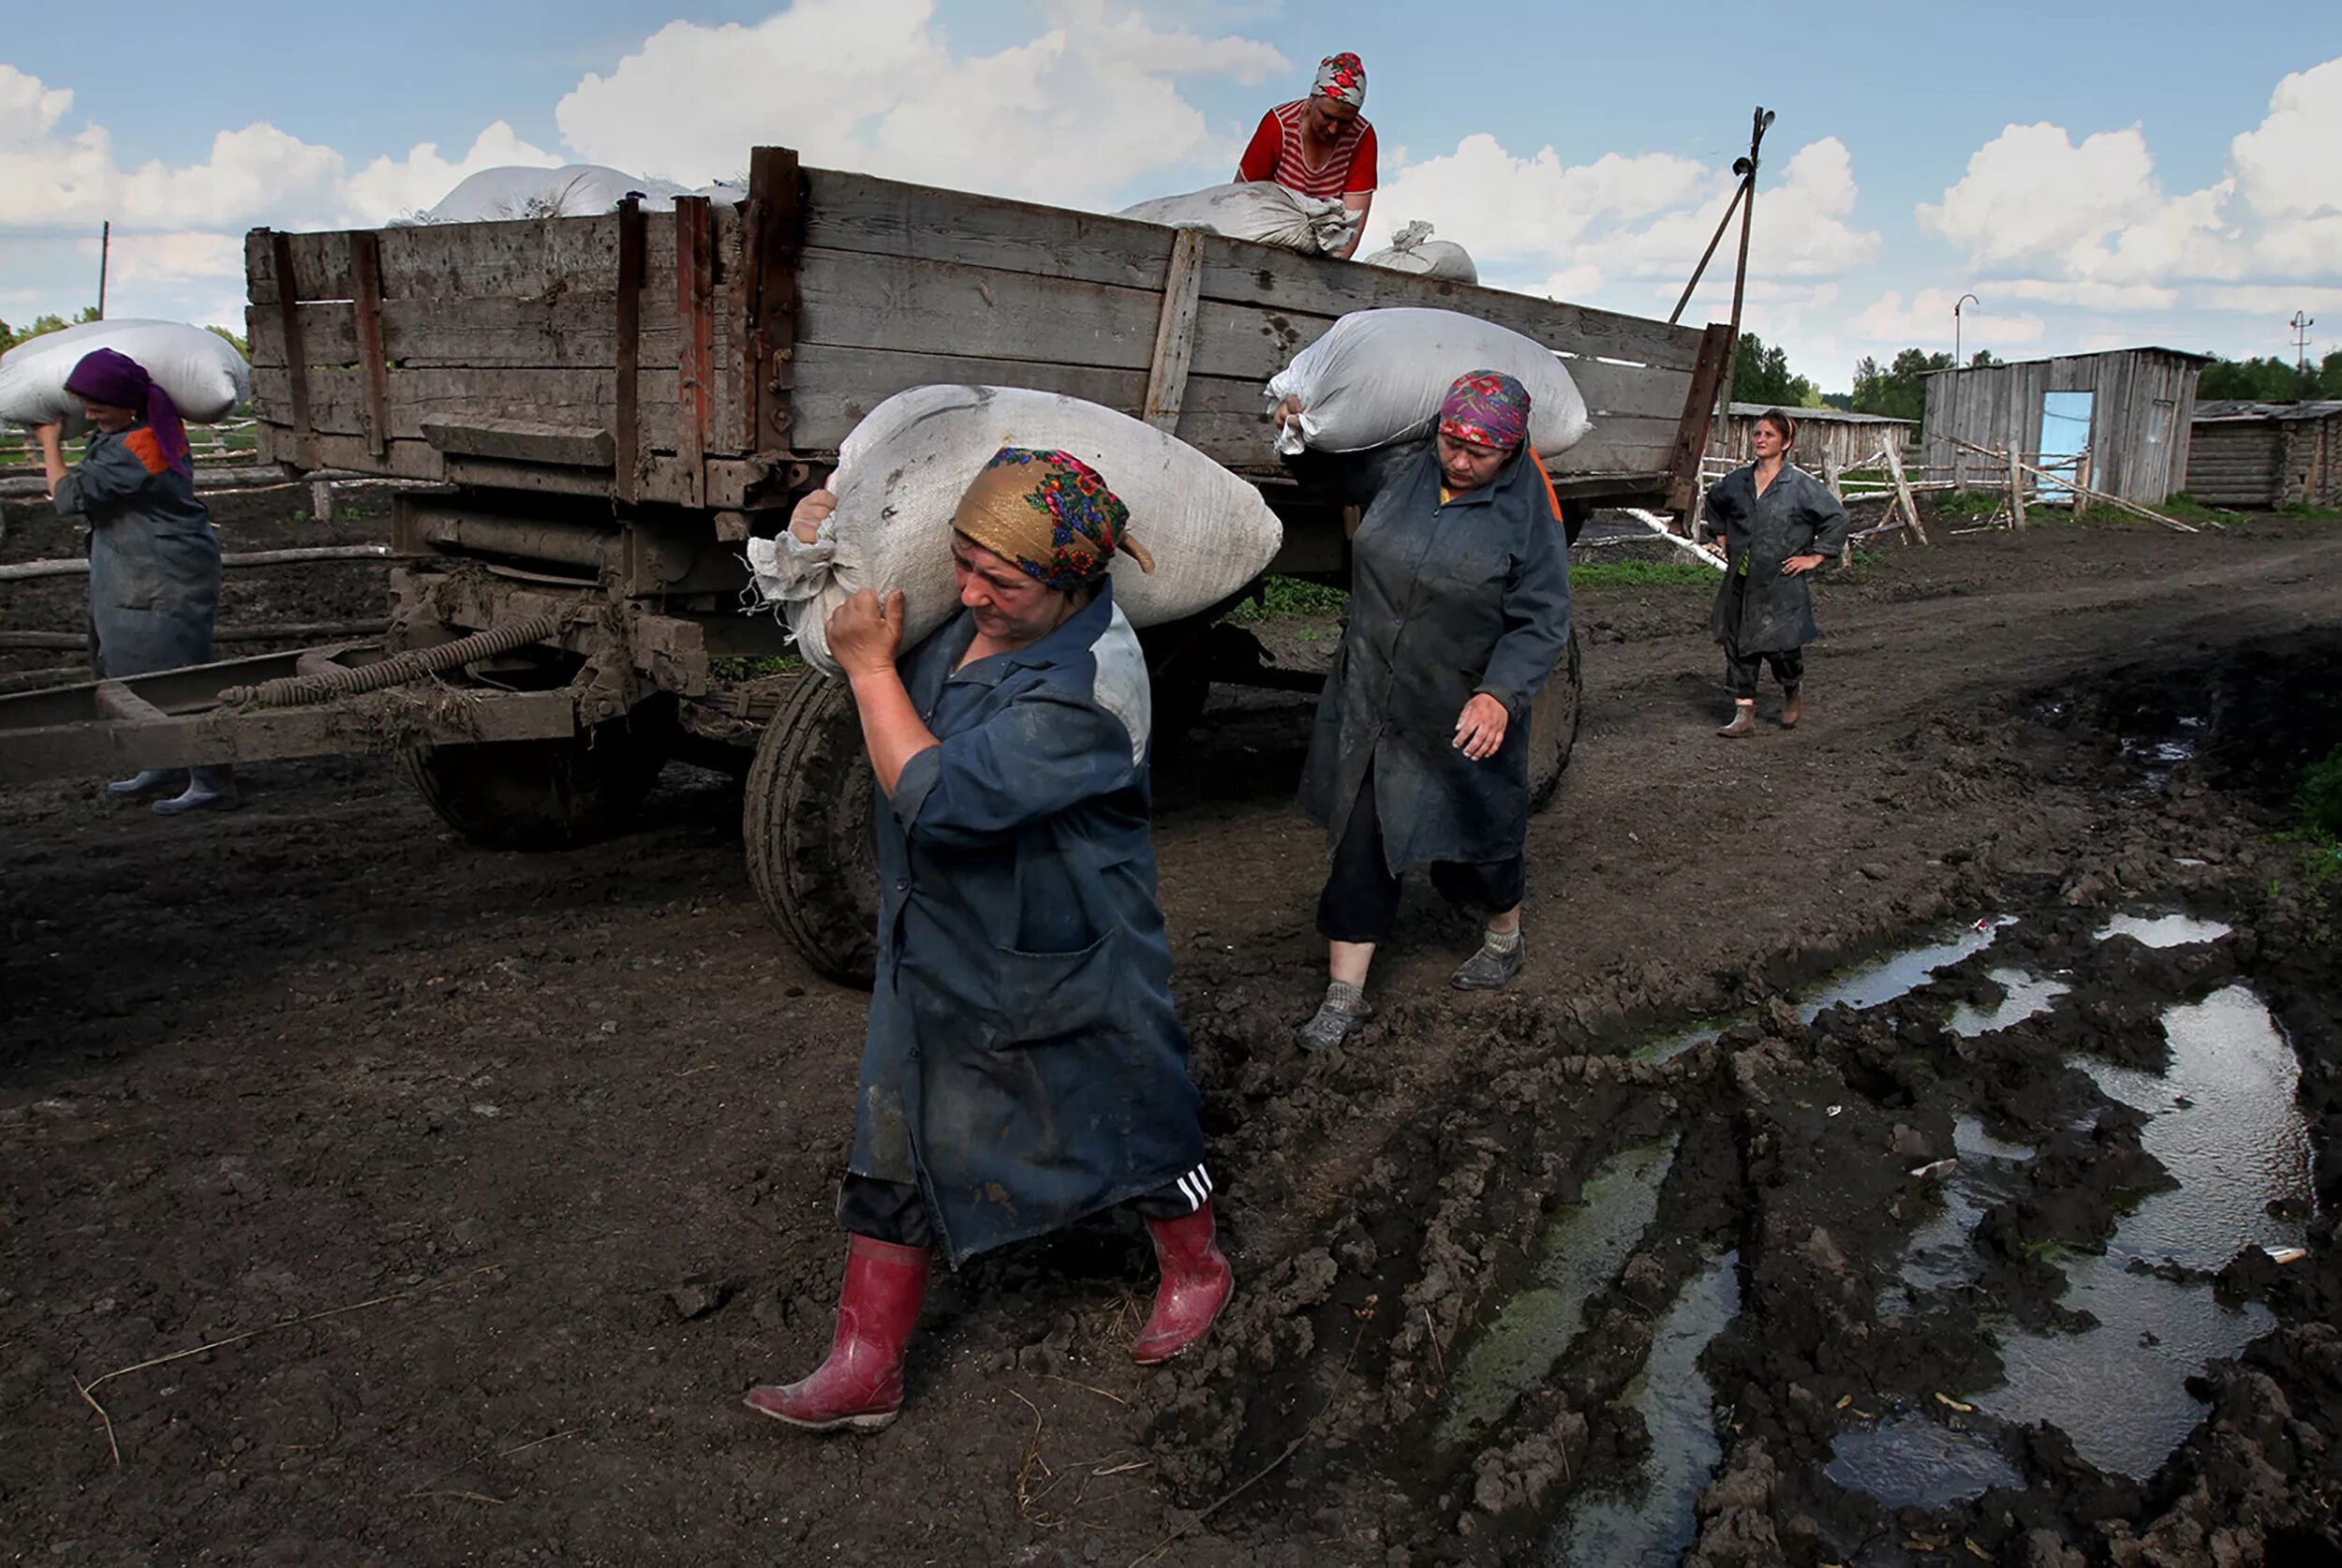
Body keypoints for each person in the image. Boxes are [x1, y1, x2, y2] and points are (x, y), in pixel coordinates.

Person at [744, 449, 1232, 1433]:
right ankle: (865, 1363)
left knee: (1132, 1103)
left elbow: (939, 801)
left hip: (1067, 943)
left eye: (1000, 581)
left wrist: (871, 669)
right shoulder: (967, 619)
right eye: (961, 563)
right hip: (940, 930)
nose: (969, 593)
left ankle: (1196, 1267)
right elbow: (850, 634)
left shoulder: (1091, 685)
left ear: (1071, 584)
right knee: (895, 1117)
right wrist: (819, 547)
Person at [1276, 372, 1573, 1050]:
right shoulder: (1401, 467)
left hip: (1461, 703)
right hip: (1374, 696)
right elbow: (1325, 474)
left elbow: (1542, 620)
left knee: (1478, 837)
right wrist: (1299, 429)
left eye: (1479, 452)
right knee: (1361, 841)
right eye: (1451, 442)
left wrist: (1500, 694)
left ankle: (1504, 937)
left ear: (1512, 448)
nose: (1459, 460)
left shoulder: (1531, 512)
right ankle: (1344, 996)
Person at [35, 348, 237, 813]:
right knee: (133, 667)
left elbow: (68, 497)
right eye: (85, 407)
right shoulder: (130, 432)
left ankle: (212, 779)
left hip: (162, 574)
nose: (88, 416)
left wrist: (49, 442)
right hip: (134, 568)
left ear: (127, 404)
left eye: (97, 408)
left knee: (178, 675)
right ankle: (164, 762)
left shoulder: (140, 445)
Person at [1703, 409, 1851, 738]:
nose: (1760, 439)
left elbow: (1837, 518)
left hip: (1780, 580)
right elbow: (1714, 500)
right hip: (1742, 576)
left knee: (1781, 647)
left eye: (1769, 435)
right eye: (1757, 434)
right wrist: (1722, 534)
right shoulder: (1738, 481)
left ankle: (1792, 688)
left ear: (1785, 443)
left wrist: (1815, 557)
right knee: (1737, 642)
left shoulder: (1799, 485)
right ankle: (1744, 713)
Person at [1236, 52, 1376, 259]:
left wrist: (1330, 269)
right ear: (1311, 100)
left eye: (1345, 121)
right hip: (1268, 238)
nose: (1334, 129)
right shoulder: (1279, 125)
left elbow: (1352, 223)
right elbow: (1243, 197)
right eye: (1327, 116)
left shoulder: (1362, 137)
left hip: (1324, 248)